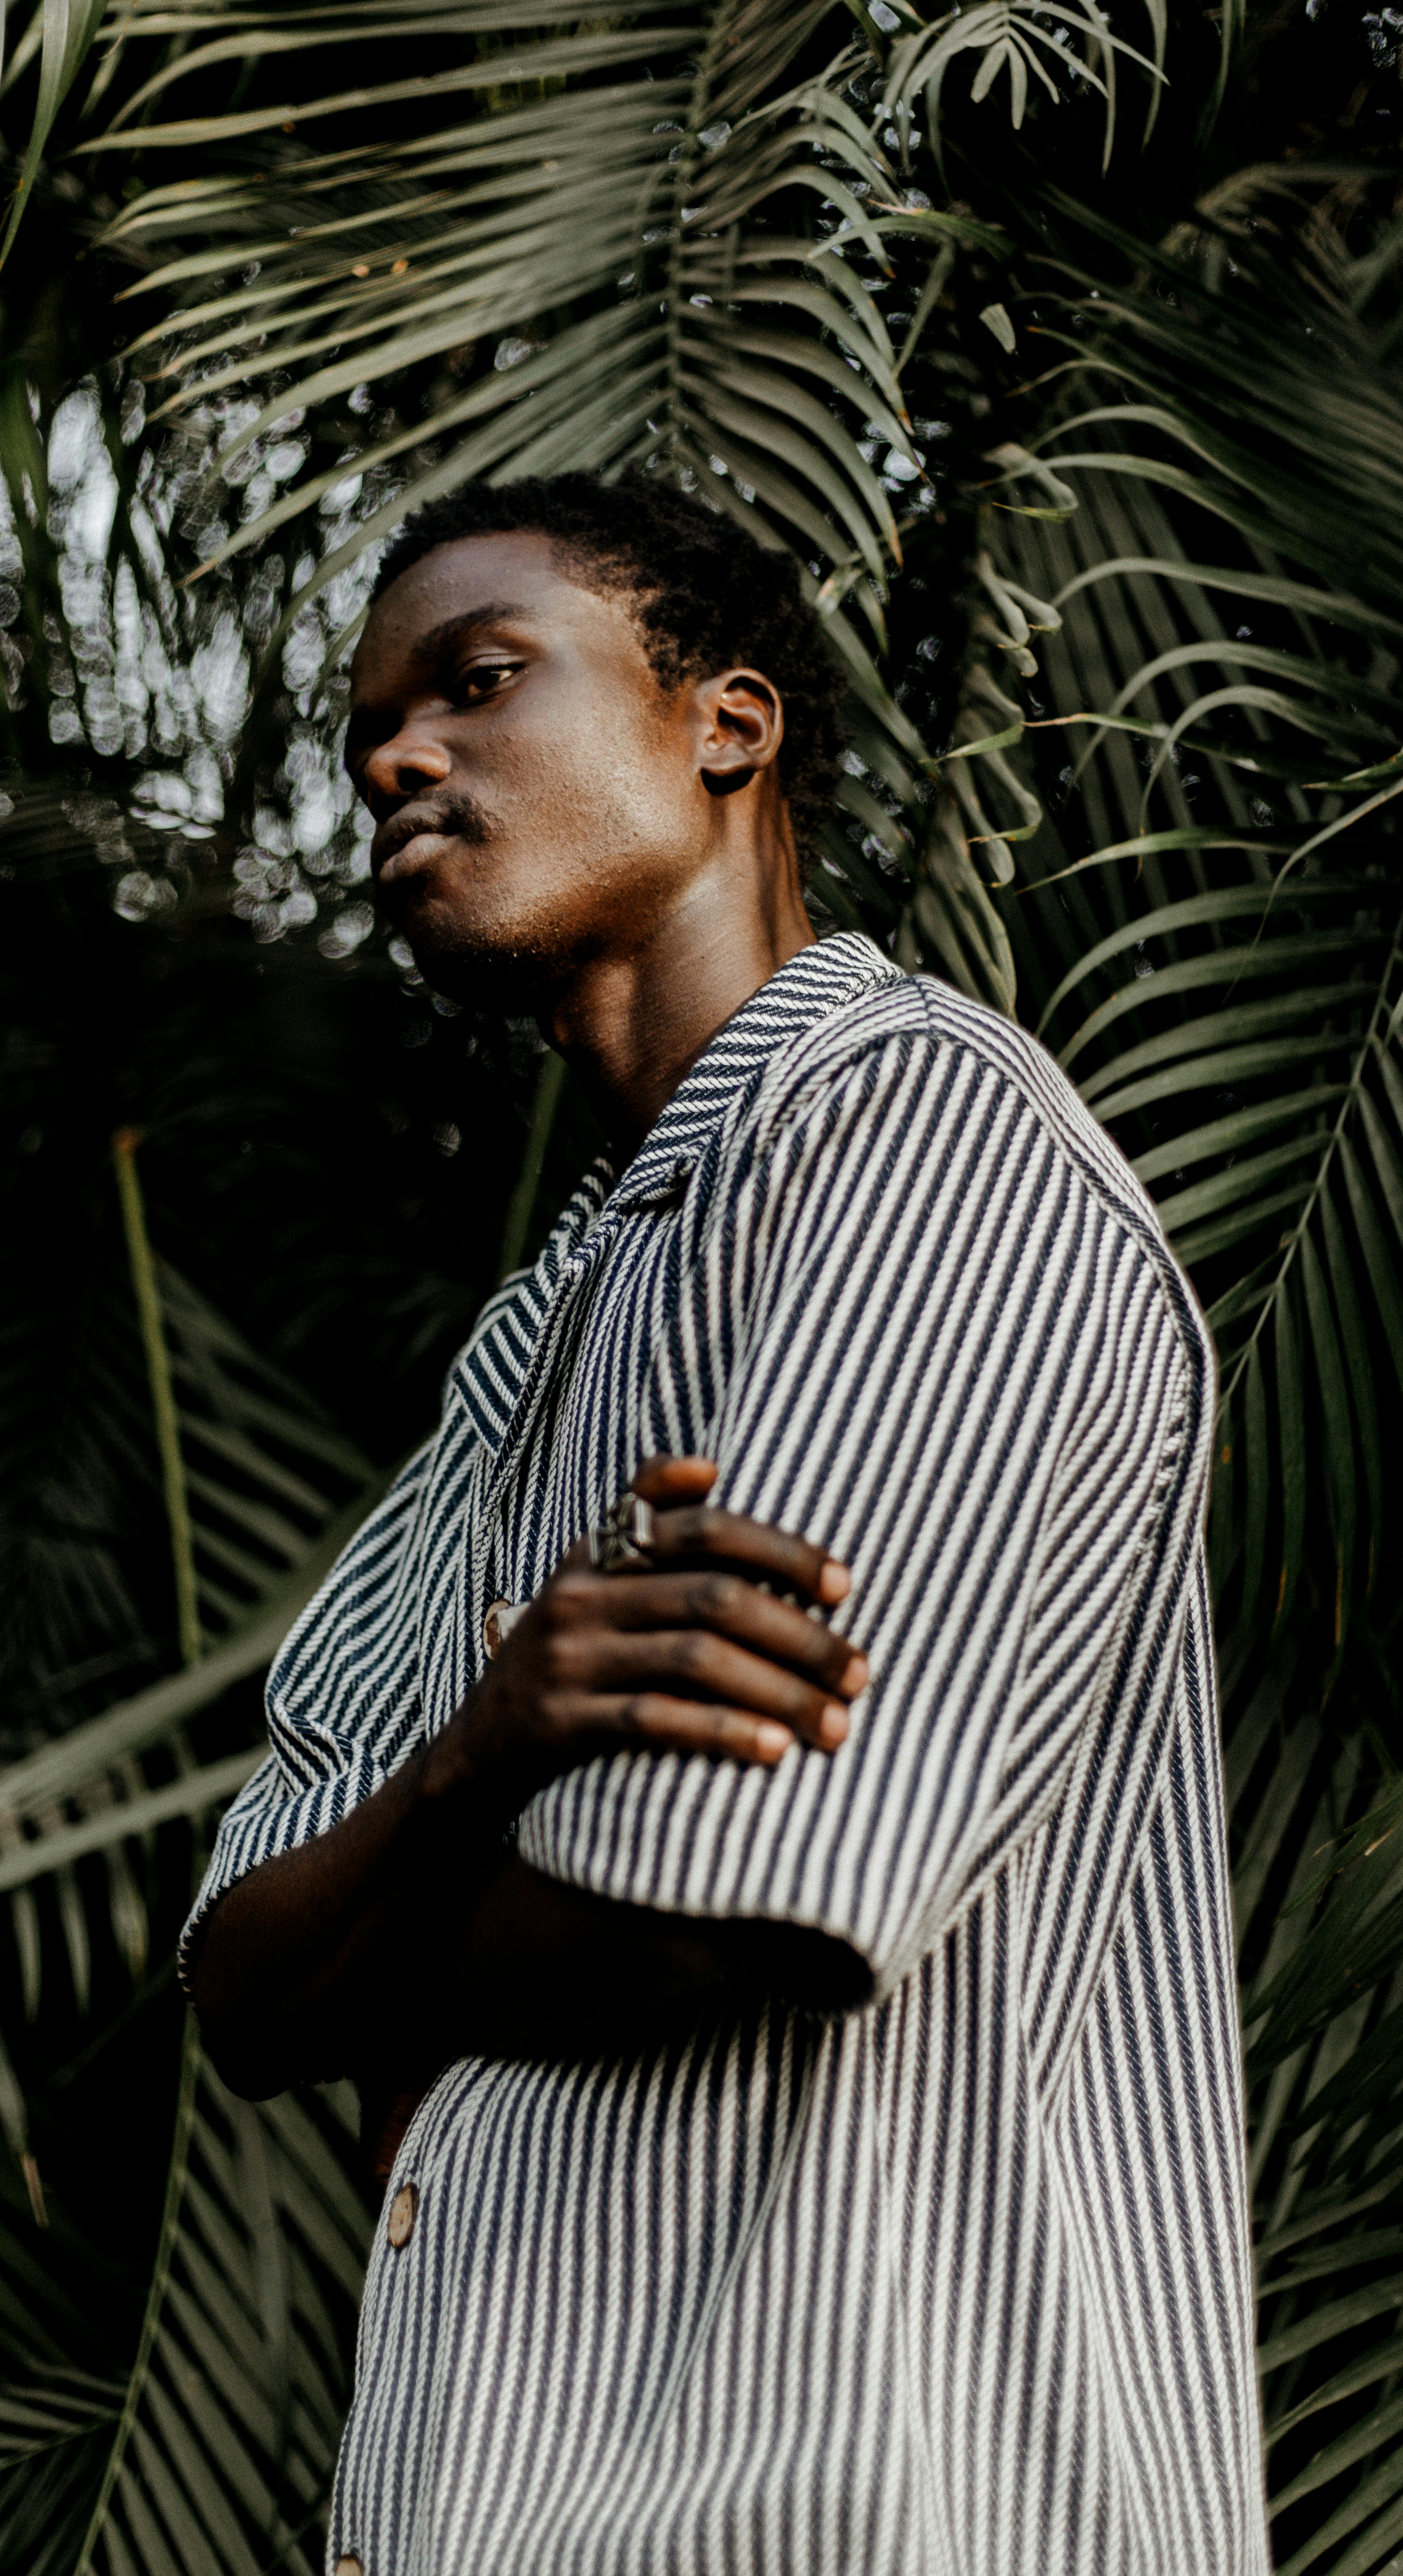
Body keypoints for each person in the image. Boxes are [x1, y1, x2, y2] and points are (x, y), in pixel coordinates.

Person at [183, 473, 1267, 2576]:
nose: (397, 758)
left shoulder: (921, 1136)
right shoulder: (515, 1374)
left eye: (478, 684)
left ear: (726, 723)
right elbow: (237, 1988)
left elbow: (722, 1896)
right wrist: (492, 1754)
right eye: (365, 742)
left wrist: (390, 1926)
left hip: (860, 2493)